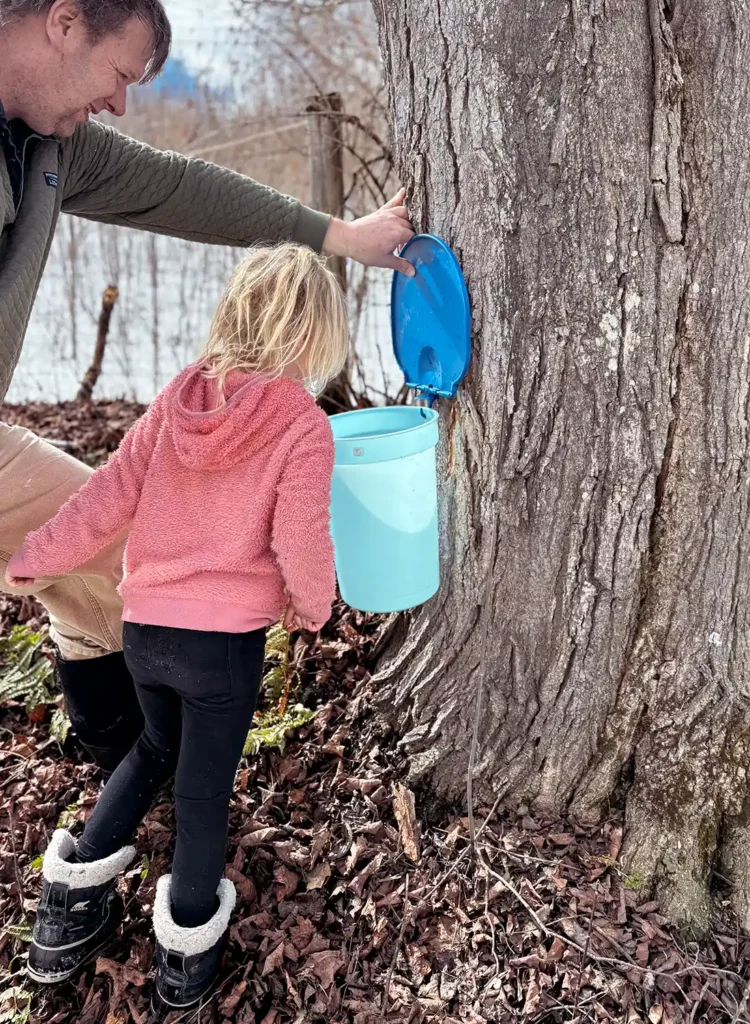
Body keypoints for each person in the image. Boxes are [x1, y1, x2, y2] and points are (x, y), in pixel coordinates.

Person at [0, 0, 414, 776]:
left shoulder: (53, 147)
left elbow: (181, 188)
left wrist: (340, 237)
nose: (119, 102)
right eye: (118, 73)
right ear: (62, 22)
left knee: (119, 561)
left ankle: (133, 775)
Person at [7, 243, 346, 1011]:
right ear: (311, 334)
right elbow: (302, 537)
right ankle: (185, 956)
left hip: (146, 630)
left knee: (154, 746)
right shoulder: (301, 424)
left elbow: (108, 496)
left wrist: (37, 556)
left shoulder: (178, 397)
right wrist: (314, 605)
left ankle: (65, 912)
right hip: (221, 649)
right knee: (200, 793)